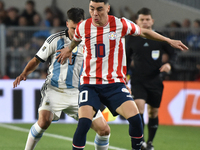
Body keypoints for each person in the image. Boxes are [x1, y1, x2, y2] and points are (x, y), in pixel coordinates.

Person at [56, 1, 188, 150]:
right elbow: (76, 39)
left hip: (115, 85)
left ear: (107, 8)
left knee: (136, 120)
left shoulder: (120, 24)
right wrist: (69, 49)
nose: (95, 13)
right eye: (92, 9)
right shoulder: (83, 26)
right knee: (84, 123)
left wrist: (168, 40)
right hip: (90, 84)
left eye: (99, 9)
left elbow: (144, 32)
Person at [13, 7, 110, 150]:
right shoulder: (55, 39)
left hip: (79, 93)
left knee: (104, 130)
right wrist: (24, 73)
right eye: (72, 28)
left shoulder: (91, 41)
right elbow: (37, 59)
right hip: (54, 89)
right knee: (44, 122)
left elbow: (102, 65)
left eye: (78, 28)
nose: (76, 32)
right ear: (67, 24)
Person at [126, 7, 177, 150]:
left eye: (147, 19)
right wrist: (124, 73)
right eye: (142, 19)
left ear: (152, 21)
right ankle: (140, 141)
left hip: (155, 80)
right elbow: (125, 58)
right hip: (138, 80)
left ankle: (150, 143)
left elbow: (173, 54)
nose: (145, 22)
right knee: (139, 108)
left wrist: (169, 65)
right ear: (137, 21)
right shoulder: (131, 39)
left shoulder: (160, 38)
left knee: (153, 112)